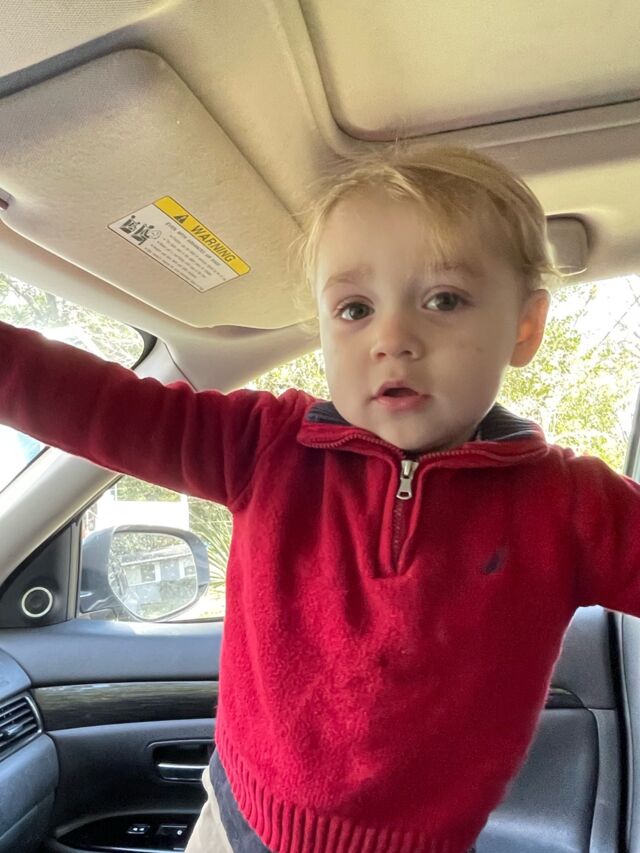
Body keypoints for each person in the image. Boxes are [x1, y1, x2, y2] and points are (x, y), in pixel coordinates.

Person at [1, 146, 639, 853]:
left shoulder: (568, 505)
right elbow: (95, 406)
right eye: (355, 308)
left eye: (444, 300)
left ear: (525, 326)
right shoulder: (266, 446)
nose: (393, 339)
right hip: (235, 818)